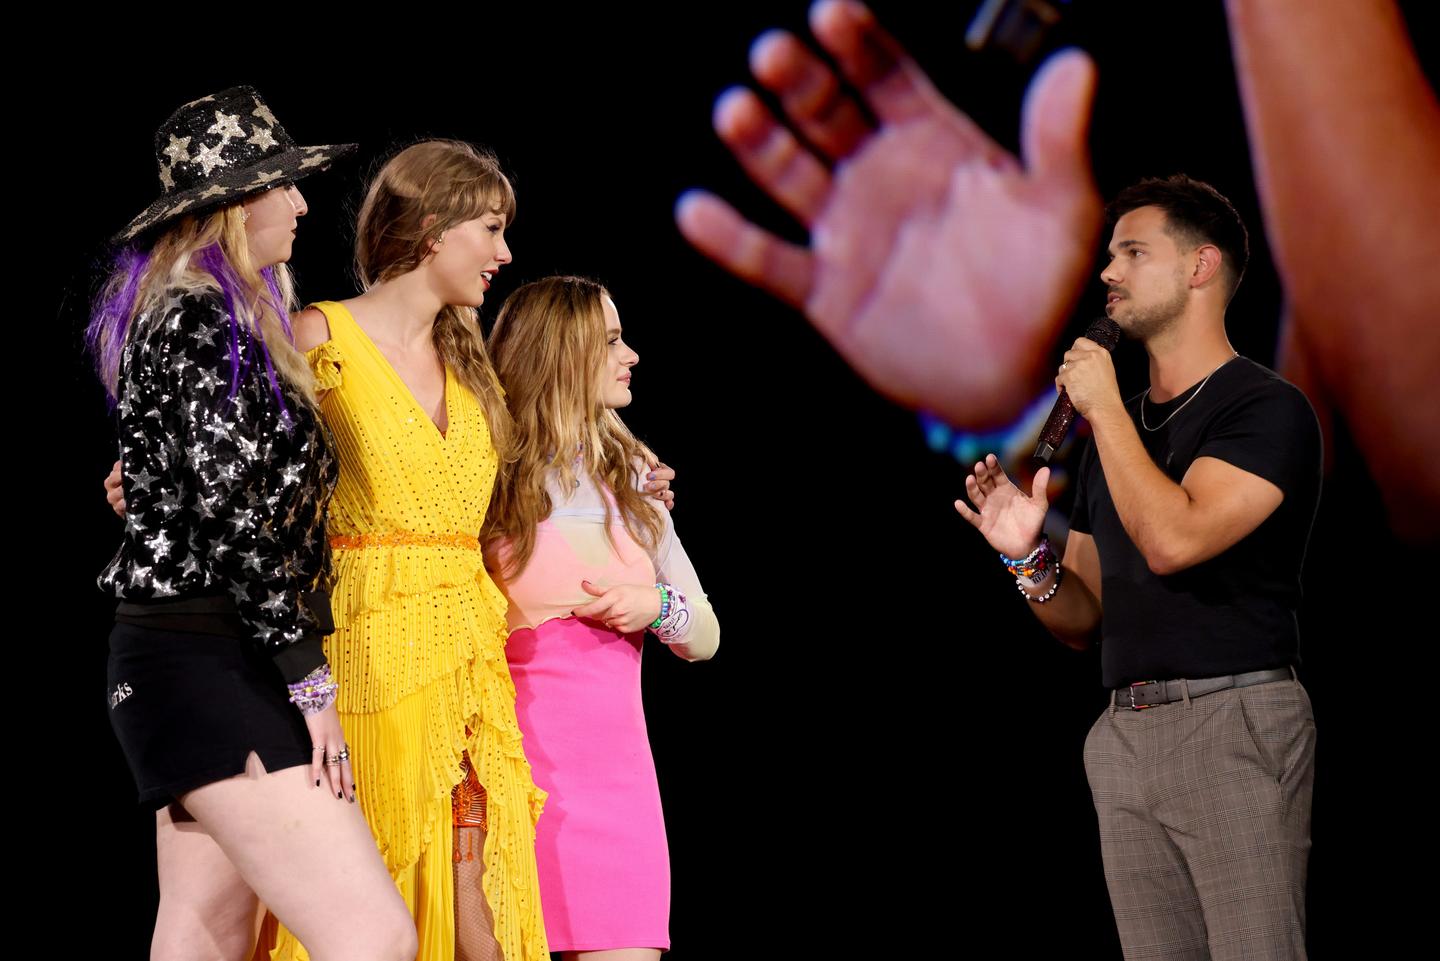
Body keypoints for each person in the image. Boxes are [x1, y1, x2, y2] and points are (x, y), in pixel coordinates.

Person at [955, 176, 1321, 960]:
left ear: (1199, 267)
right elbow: (1087, 616)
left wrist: (1106, 411)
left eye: (1133, 251)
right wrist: (1027, 554)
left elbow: (1174, 539)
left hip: (1232, 723)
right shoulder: (1113, 437)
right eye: (1109, 254)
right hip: (1124, 733)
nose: (1107, 273)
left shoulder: (1263, 409)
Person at [91, 86, 415, 961]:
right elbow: (235, 521)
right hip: (205, 662)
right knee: (374, 934)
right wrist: (311, 683)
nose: (304, 203)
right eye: (284, 184)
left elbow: (199, 491)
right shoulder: (200, 313)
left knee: (205, 931)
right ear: (236, 204)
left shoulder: (209, 312)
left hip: (193, 655)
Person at [485, 276, 720, 959]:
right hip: (510, 788)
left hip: (620, 799)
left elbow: (705, 635)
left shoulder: (633, 487)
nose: (632, 354)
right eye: (611, 339)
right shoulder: (488, 484)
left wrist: (657, 607)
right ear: (562, 352)